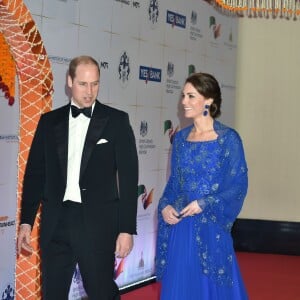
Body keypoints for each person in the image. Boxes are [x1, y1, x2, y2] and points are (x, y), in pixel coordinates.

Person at [17, 55, 138, 300]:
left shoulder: (116, 121)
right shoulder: (49, 122)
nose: (90, 91)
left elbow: (128, 178)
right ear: (70, 81)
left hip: (97, 224)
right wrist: (26, 221)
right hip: (56, 223)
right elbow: (35, 174)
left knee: (102, 293)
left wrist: (126, 229)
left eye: (95, 84)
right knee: (52, 294)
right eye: (83, 84)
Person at [155, 72, 248, 299]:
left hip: (212, 226)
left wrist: (205, 203)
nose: (183, 102)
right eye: (183, 96)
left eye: (191, 96)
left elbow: (238, 185)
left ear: (208, 100)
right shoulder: (180, 138)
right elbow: (175, 184)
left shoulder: (228, 139)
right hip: (182, 228)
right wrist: (165, 205)